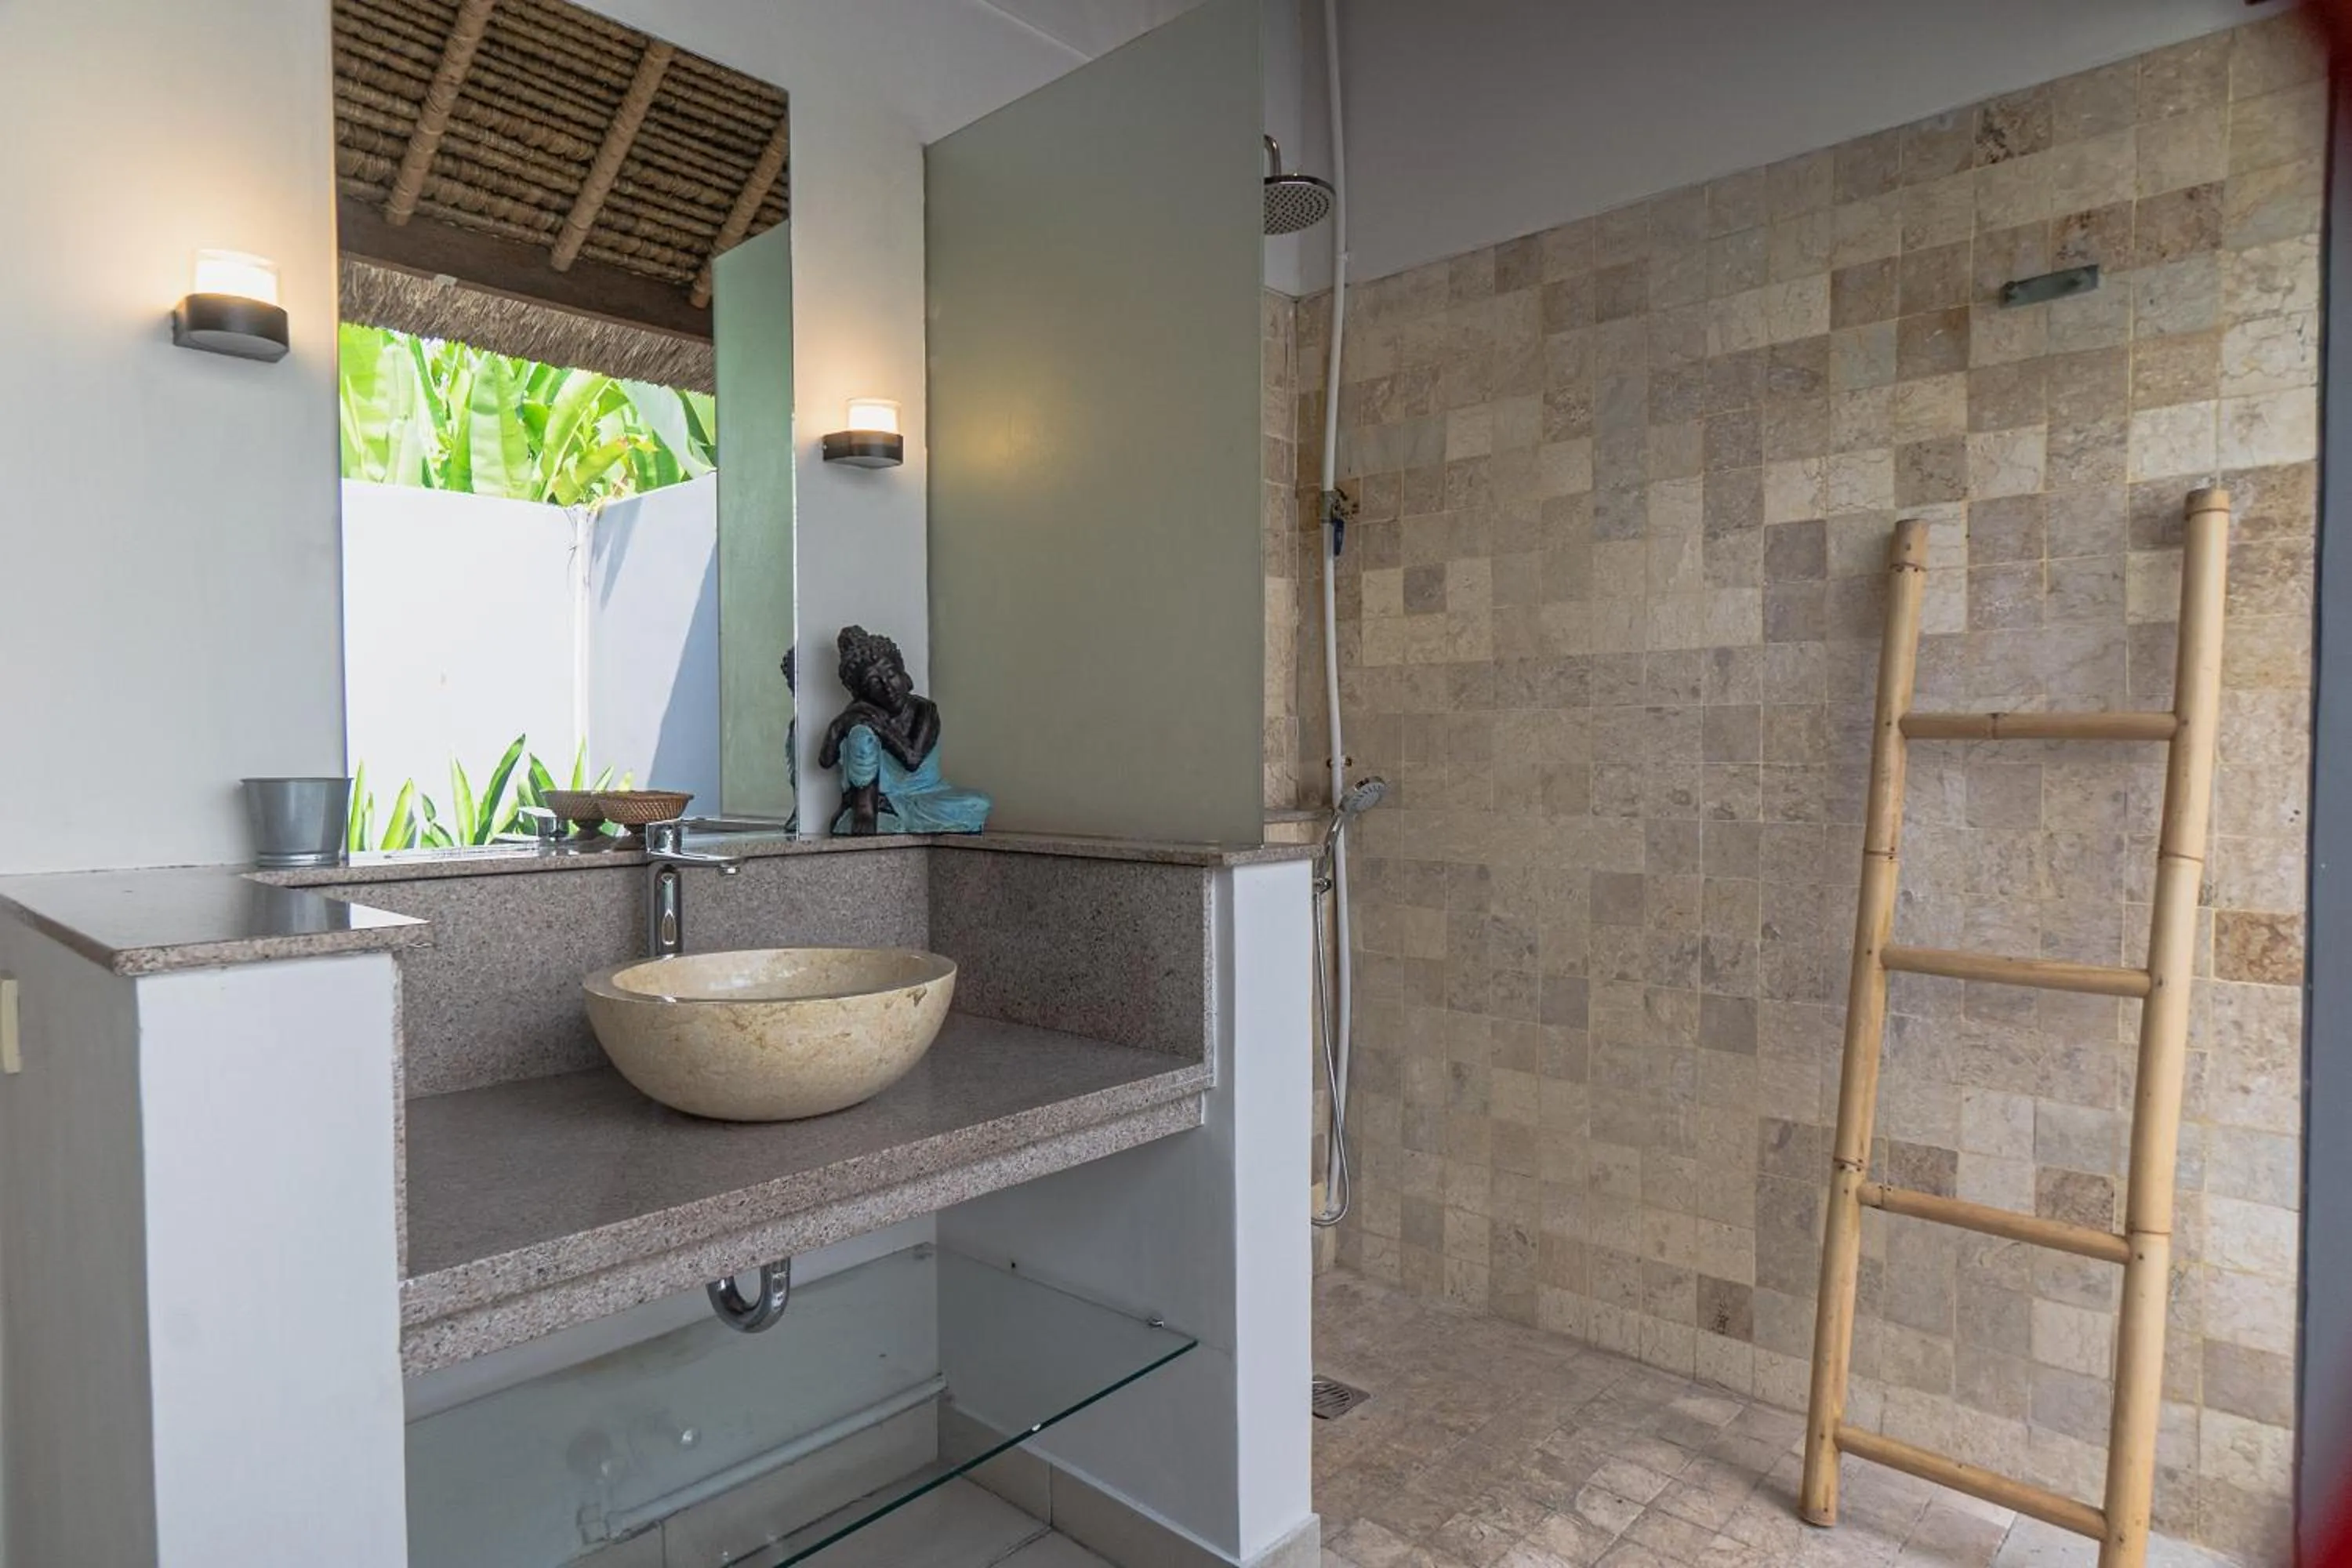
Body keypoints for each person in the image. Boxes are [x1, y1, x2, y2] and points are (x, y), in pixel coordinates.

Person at [817, 626, 991, 836]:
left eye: (891, 675)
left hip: (926, 794)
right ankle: (864, 813)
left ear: (903, 672)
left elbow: (912, 759)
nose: (887, 687)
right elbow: (825, 760)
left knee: (978, 803)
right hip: (874, 802)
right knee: (860, 734)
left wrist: (880, 728)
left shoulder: (924, 710)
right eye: (873, 683)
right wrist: (841, 723)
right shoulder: (862, 718)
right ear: (861, 692)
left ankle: (890, 816)